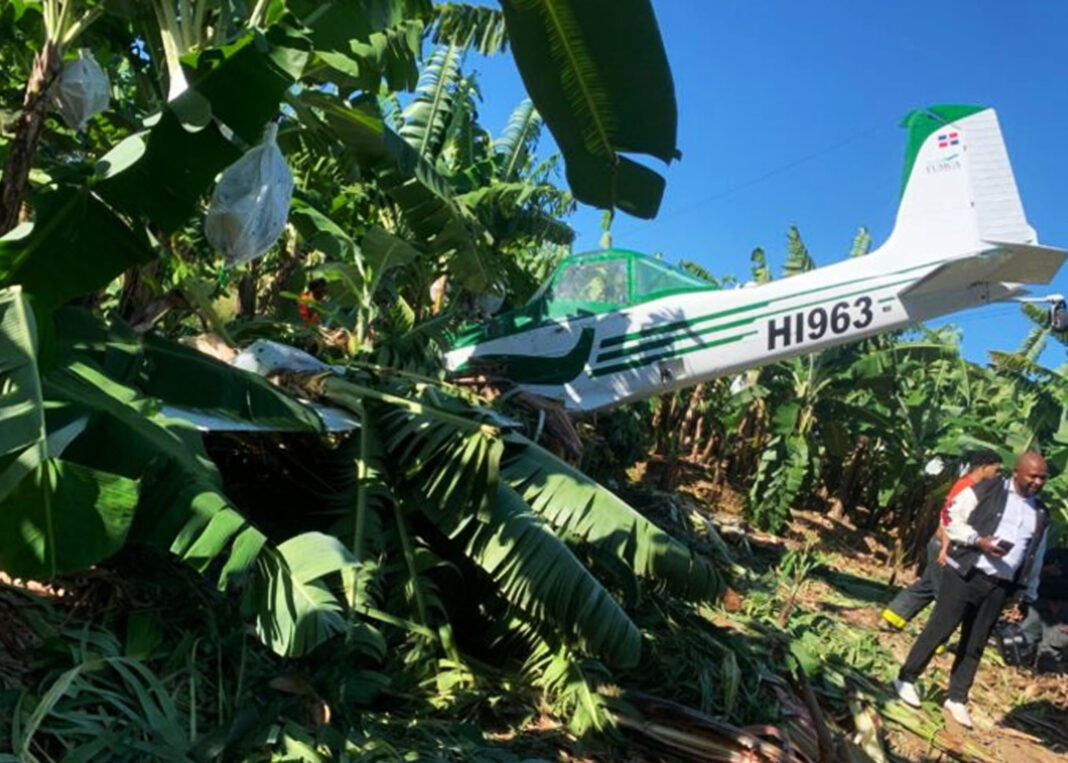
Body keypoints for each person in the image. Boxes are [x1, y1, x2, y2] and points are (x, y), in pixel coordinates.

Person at [893, 452, 1051, 728]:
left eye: (1043, 478)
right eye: (1033, 476)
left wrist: (1028, 593)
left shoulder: (1040, 513)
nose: (1038, 482)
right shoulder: (987, 489)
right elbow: (951, 517)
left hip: (1000, 585)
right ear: (1017, 472)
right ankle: (906, 678)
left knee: (976, 642)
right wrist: (978, 540)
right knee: (940, 628)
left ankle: (957, 697)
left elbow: (1036, 555)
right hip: (965, 573)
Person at [881, 450, 1004, 630]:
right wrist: (945, 548)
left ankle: (892, 617)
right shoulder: (967, 488)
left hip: (944, 544)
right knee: (946, 595)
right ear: (984, 468)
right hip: (944, 545)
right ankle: (936, 635)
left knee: (927, 585)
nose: (998, 475)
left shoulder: (974, 487)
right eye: (996, 470)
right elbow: (947, 518)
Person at [1019, 546, 1068, 673]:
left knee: (1053, 647)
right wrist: (1046, 571)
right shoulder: (1053, 553)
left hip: (1064, 611)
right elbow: (1032, 574)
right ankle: (1020, 671)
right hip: (1040, 603)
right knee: (1024, 639)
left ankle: (1046, 677)